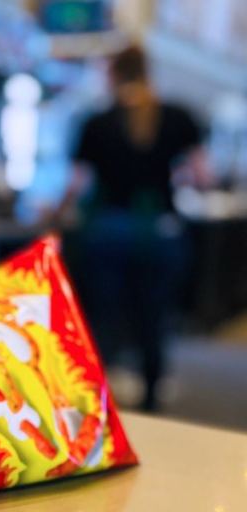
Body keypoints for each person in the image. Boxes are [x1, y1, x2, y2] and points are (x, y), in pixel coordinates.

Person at [52, 45, 210, 411]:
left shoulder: (96, 121)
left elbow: (76, 185)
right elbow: (204, 177)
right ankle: (152, 399)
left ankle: (98, 403)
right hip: (159, 232)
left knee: (102, 319)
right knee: (153, 318)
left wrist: (55, 214)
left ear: (113, 74)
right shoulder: (178, 117)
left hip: (107, 231)